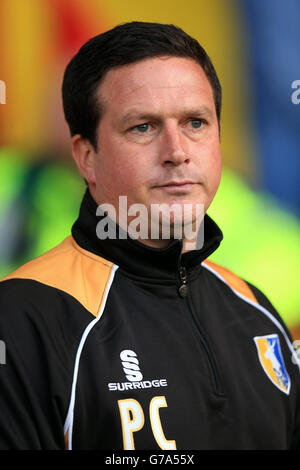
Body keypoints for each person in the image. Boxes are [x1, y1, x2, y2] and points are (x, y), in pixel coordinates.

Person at [0, 21, 299, 451]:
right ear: (86, 157)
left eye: (196, 122)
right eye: (143, 127)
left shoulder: (256, 310)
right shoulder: (22, 321)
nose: (177, 151)